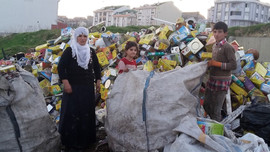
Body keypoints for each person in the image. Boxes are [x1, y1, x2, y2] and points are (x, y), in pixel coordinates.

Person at [57, 27, 101, 151]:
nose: (82, 39)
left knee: (86, 114)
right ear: (75, 37)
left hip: (87, 89)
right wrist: (65, 83)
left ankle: (86, 141)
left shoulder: (91, 52)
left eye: (85, 36)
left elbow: (97, 67)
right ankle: (71, 142)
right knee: (72, 114)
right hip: (72, 88)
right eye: (80, 36)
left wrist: (98, 81)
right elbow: (61, 67)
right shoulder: (70, 51)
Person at [203, 21, 237, 122]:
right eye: (215, 32)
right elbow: (213, 62)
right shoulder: (214, 46)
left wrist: (216, 64)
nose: (217, 34)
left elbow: (233, 65)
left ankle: (216, 132)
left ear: (225, 33)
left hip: (222, 81)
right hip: (212, 79)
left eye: (220, 32)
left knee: (216, 109)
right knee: (206, 104)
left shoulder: (228, 47)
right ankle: (210, 123)